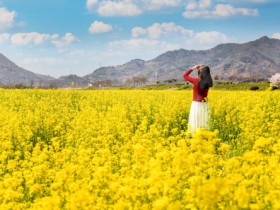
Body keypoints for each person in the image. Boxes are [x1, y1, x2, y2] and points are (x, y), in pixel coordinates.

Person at [183, 65, 213, 136]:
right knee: (203, 120)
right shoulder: (209, 82)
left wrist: (193, 68)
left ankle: (195, 136)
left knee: (195, 120)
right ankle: (204, 135)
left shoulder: (196, 81)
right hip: (205, 104)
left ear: (200, 73)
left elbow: (185, 75)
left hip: (196, 104)